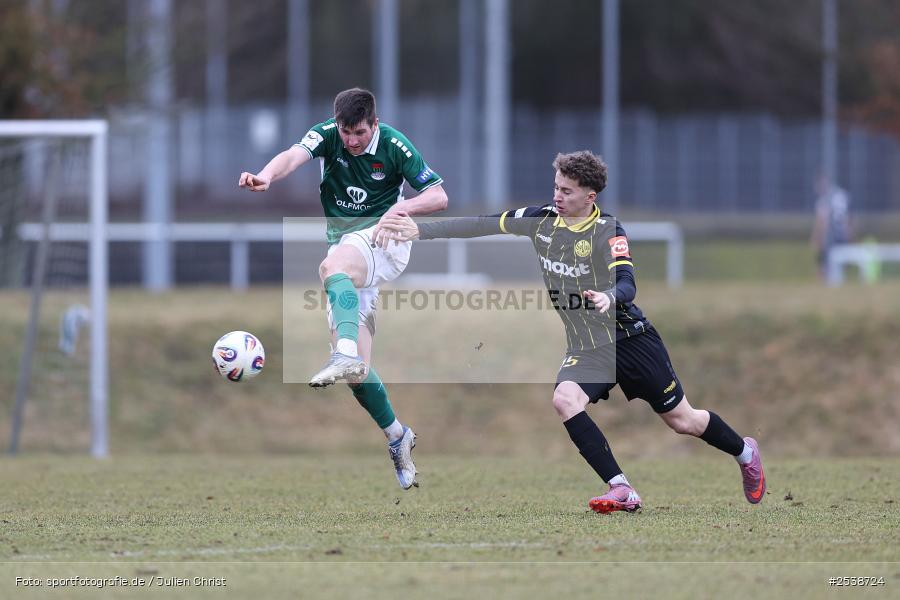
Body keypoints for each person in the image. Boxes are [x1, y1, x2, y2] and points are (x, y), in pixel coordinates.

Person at [375, 151, 765, 512]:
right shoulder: (540, 220)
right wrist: (420, 231)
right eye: (556, 187)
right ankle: (621, 487)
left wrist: (610, 297)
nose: (557, 196)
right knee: (565, 399)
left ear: (590, 196)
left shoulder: (607, 231)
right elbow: (481, 224)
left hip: (632, 341)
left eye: (567, 190)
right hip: (588, 347)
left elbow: (628, 282)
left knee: (683, 421)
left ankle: (746, 454)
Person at [239, 88, 448, 490]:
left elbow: (438, 195)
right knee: (358, 375)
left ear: (374, 123)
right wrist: (266, 175)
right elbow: (293, 155)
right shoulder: (327, 135)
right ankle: (397, 436)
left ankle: (343, 352)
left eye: (359, 132)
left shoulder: (394, 144)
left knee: (330, 267)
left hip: (386, 241)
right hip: (350, 254)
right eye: (345, 131)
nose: (351, 140)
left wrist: (402, 208)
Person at [811, 174, 852, 281]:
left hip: (830, 235)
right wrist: (848, 233)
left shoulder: (824, 198)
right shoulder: (842, 194)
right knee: (841, 264)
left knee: (822, 263)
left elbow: (822, 221)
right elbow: (847, 217)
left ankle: (822, 284)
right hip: (842, 235)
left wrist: (817, 238)